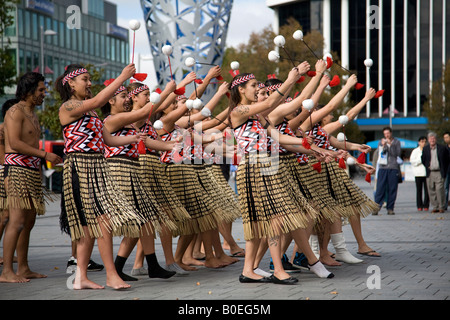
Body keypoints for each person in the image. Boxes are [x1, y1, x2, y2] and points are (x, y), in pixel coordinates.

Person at [57, 63, 147, 290]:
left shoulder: (90, 112)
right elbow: (98, 100)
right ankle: (111, 274)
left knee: (89, 229)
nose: (89, 83)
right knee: (103, 221)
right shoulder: (68, 106)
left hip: (96, 166)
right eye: (85, 79)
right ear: (71, 83)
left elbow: (108, 140)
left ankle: (80, 278)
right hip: (80, 167)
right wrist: (122, 77)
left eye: (89, 79)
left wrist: (132, 139)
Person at [0, 73, 62, 283]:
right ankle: (7, 271)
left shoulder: (32, 113)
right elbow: (15, 143)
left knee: (28, 222)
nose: (45, 94)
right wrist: (45, 155)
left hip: (30, 172)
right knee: (16, 221)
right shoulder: (14, 111)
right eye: (41, 90)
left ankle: (23, 267)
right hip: (16, 171)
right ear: (28, 91)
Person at [374, 127, 402, 215]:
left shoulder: (396, 142)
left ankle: (390, 208)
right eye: (385, 134)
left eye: (388, 133)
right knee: (380, 188)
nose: (386, 135)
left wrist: (390, 145)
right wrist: (383, 146)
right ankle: (377, 207)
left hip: (393, 167)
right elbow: (380, 153)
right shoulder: (380, 142)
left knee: (392, 188)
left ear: (391, 133)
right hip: (383, 168)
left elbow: (397, 154)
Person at [421, 132, 450, 213]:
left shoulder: (442, 148)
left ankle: (441, 206)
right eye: (430, 138)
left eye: (433, 138)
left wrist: (443, 168)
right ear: (428, 140)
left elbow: (447, 159)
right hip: (430, 172)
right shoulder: (426, 148)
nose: (432, 140)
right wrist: (427, 166)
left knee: (439, 189)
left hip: (439, 172)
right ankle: (435, 206)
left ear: (436, 139)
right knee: (431, 190)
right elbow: (423, 159)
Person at [410, 136, 429, 211]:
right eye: (422, 141)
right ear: (419, 142)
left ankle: (426, 205)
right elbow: (412, 161)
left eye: (425, 141)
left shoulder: (428, 150)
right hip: (418, 173)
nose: (423, 143)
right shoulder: (415, 151)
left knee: (427, 190)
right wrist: (420, 160)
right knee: (419, 190)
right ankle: (419, 205)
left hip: (426, 173)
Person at [443, 132, 450, 210]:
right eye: (444, 138)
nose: (446, 139)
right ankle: (445, 204)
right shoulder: (444, 148)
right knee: (446, 188)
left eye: (447, 137)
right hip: (447, 170)